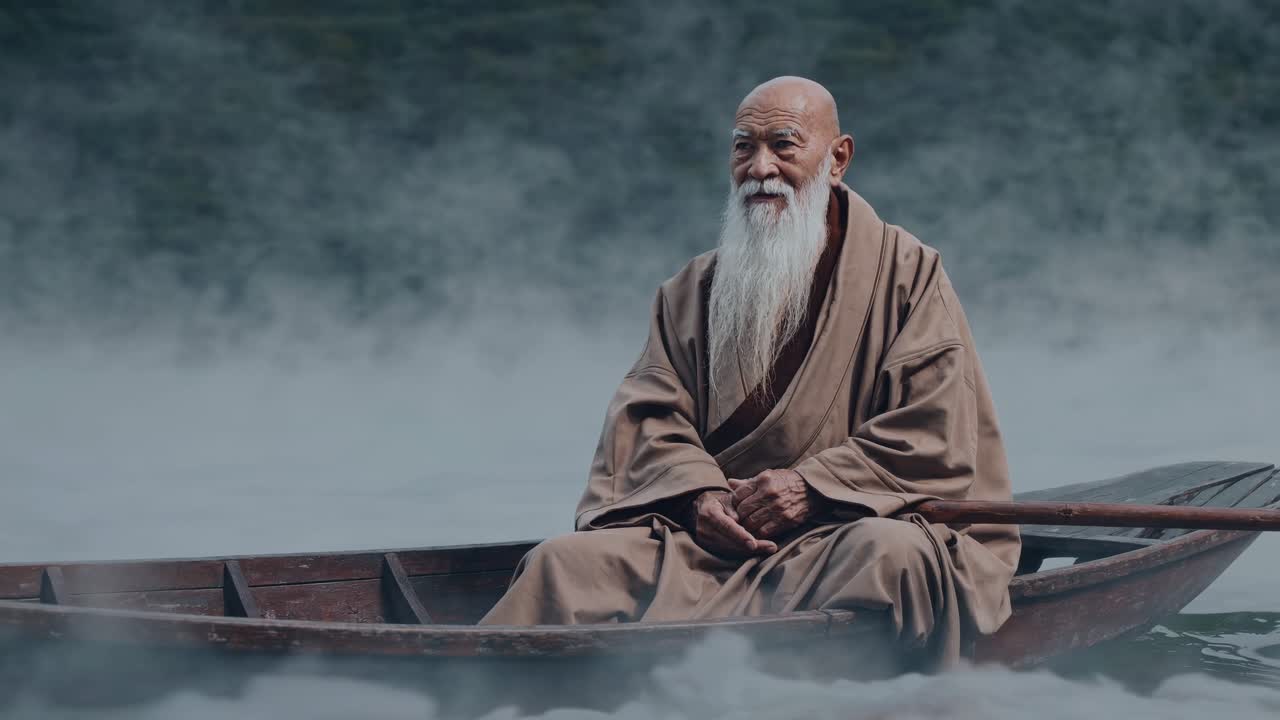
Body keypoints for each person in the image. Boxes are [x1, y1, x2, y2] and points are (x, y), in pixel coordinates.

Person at [478, 75, 1020, 667]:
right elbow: (647, 420)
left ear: (837, 158)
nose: (761, 168)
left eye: (784, 144)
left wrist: (811, 487)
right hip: (712, 548)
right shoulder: (693, 289)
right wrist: (697, 496)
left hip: (840, 536)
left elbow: (935, 433)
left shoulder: (908, 275)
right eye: (743, 147)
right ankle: (471, 689)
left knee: (893, 555)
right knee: (561, 563)